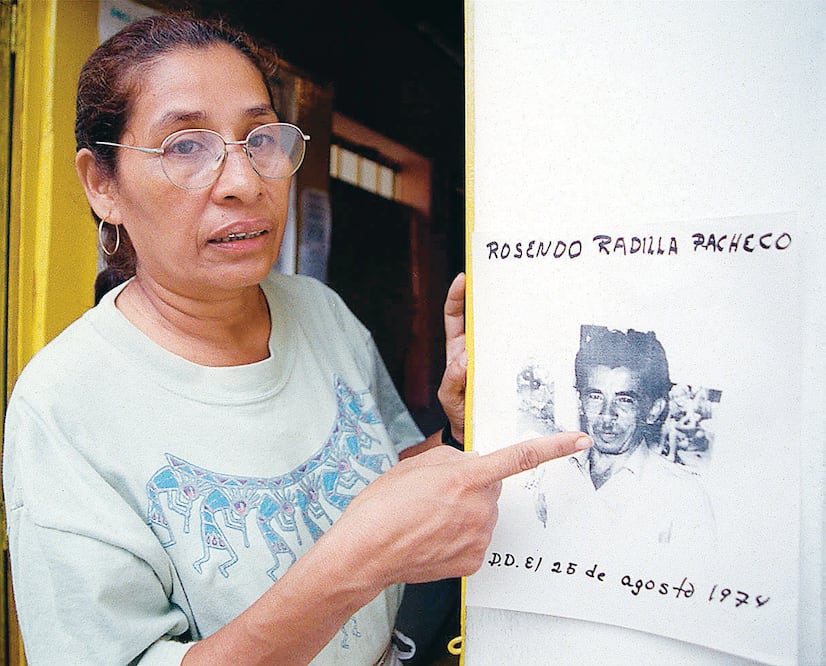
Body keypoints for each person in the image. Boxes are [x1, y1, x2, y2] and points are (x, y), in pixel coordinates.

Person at [2, 15, 591, 665]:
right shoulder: (62, 407)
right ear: (102, 184)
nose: (245, 183)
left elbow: (384, 482)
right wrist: (353, 567)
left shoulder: (320, 311)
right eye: (185, 147)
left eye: (260, 138)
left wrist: (455, 430)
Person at [529, 325, 715, 548]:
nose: (607, 415)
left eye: (625, 400)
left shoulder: (684, 496)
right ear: (580, 402)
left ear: (653, 409)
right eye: (596, 396)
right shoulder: (549, 473)